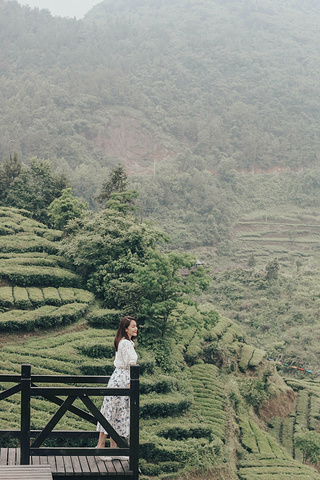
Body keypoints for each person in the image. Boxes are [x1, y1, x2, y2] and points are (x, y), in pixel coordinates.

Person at [96, 316, 138, 461]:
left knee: (116, 413)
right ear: (126, 329)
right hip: (122, 379)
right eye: (133, 326)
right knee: (112, 412)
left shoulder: (126, 342)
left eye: (136, 326)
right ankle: (101, 447)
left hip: (120, 377)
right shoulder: (125, 344)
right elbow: (130, 361)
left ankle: (114, 449)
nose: (136, 328)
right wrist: (133, 375)